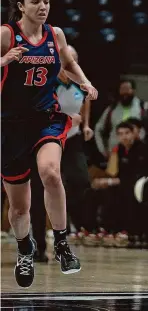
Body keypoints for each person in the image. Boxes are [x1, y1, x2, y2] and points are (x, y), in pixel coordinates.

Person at [1, 0, 98, 287]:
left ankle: (61, 244)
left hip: (47, 118)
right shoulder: (6, 34)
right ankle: (24, 248)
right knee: (19, 207)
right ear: (21, 5)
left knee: (51, 173)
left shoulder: (56, 34)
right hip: (11, 126)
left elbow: (68, 63)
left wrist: (85, 82)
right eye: (35, 1)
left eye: (46, 1)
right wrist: (4, 60)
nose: (43, 7)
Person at [30, 45, 93, 260]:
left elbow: (84, 108)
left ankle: (66, 222)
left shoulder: (81, 84)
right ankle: (39, 246)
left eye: (72, 61)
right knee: (37, 193)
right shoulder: (45, 84)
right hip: (46, 140)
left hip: (71, 141)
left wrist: (85, 125)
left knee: (81, 181)